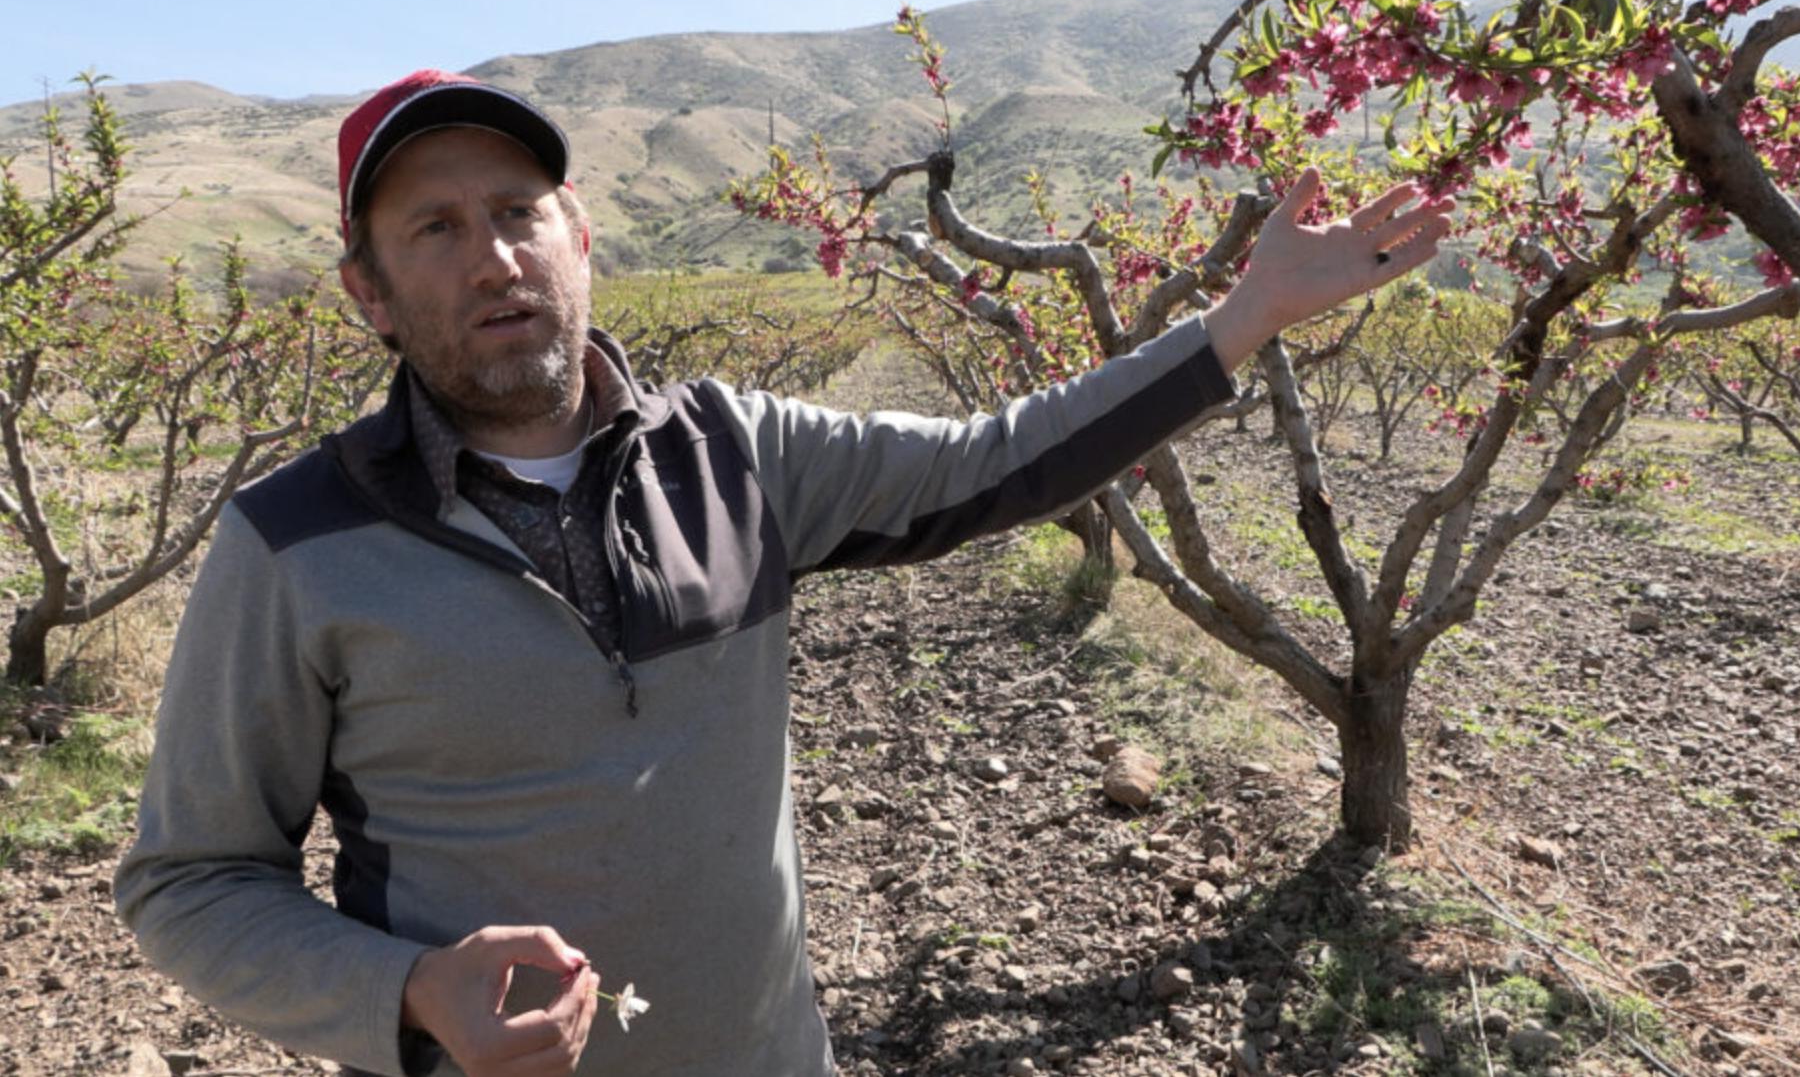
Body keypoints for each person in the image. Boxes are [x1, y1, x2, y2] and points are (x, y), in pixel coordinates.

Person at [113, 68, 1453, 1077]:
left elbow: (996, 462)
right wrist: (404, 994)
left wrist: (1239, 323)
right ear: (369, 290)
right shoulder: (293, 543)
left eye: (519, 212)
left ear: (583, 236)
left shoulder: (735, 453)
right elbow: (192, 881)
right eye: (436, 229)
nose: (494, 256)